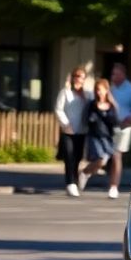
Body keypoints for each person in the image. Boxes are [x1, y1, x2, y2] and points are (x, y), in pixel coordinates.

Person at [107, 62, 131, 200]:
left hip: (124, 127)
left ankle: (113, 186)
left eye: (115, 74)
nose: (113, 76)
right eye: (112, 74)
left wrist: (129, 119)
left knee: (117, 155)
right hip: (110, 126)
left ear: (123, 74)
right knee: (106, 155)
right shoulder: (111, 89)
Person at [78, 79, 120, 198]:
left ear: (106, 91)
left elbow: (116, 122)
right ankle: (85, 172)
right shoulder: (92, 105)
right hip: (94, 136)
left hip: (108, 137)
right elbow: (85, 119)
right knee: (100, 160)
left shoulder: (111, 106)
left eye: (101, 90)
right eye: (97, 90)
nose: (99, 92)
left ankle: (112, 187)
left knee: (111, 160)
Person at [54, 66, 91, 198]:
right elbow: (58, 109)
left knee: (78, 156)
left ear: (84, 79)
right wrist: (65, 123)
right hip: (68, 130)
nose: (78, 79)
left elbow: (93, 107)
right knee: (69, 156)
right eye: (76, 76)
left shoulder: (87, 94)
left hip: (81, 130)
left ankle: (75, 180)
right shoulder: (65, 92)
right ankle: (70, 183)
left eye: (80, 77)